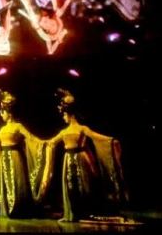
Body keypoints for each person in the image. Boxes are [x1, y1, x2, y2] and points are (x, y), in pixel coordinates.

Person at [47, 89, 126, 222]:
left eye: (63, 114)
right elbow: (51, 142)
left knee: (83, 185)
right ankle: (72, 213)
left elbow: (97, 137)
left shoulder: (82, 129)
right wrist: (39, 143)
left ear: (68, 114)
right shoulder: (64, 131)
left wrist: (111, 141)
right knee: (71, 185)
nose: (63, 117)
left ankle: (83, 211)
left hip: (81, 159)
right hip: (69, 160)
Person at [0, 90, 49, 218]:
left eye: (3, 112)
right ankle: (8, 207)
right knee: (7, 182)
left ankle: (19, 208)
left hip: (15, 156)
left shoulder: (18, 126)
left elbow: (31, 137)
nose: (1, 114)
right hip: (4, 157)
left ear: (9, 112)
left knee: (17, 181)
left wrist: (44, 143)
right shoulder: (3, 129)